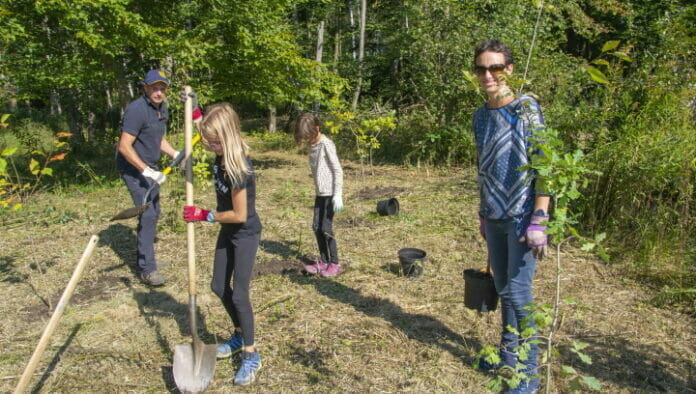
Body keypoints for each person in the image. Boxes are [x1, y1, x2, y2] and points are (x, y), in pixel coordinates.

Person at [471, 40, 551, 394]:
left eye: (495, 68)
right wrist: (483, 213)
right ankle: (508, 358)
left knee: (519, 294)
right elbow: (483, 169)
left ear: (509, 70)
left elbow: (544, 166)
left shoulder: (526, 109)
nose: (488, 75)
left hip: (522, 217)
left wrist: (539, 218)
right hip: (495, 214)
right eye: (481, 68)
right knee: (503, 290)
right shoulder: (479, 116)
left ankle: (529, 377)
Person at [182, 102, 262, 386]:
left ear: (227, 138)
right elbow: (206, 126)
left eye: (214, 142)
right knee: (218, 286)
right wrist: (194, 114)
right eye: (207, 140)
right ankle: (239, 333)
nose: (209, 145)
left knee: (239, 295)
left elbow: (239, 214)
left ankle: (251, 354)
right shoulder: (219, 147)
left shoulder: (238, 167)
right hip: (228, 231)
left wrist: (205, 215)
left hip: (244, 233)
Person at [116, 69, 181, 286]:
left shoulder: (161, 108)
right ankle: (147, 269)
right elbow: (124, 146)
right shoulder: (136, 110)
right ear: (145, 87)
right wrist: (147, 171)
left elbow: (158, 137)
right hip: (133, 169)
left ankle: (148, 259)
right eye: (154, 87)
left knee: (154, 211)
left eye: (162, 88)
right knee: (149, 214)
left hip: (149, 166)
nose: (159, 92)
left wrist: (175, 154)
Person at [294, 113, 344, 277]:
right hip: (320, 193)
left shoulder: (326, 144)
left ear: (317, 128)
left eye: (309, 135)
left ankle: (335, 263)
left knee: (326, 228)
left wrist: (338, 194)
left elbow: (337, 170)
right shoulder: (312, 144)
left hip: (330, 194)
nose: (307, 139)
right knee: (316, 227)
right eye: (304, 136)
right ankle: (323, 261)